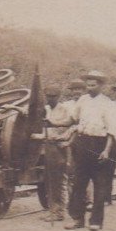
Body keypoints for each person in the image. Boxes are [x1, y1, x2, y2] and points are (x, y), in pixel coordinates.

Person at [65, 70, 116, 231]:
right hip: (82, 142)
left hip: (99, 144)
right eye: (88, 85)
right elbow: (73, 118)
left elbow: (112, 131)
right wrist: (52, 121)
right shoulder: (82, 100)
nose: (89, 88)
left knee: (99, 184)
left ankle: (96, 221)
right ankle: (77, 219)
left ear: (100, 86)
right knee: (79, 183)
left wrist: (107, 151)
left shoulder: (107, 103)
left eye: (93, 85)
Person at [42, 84, 75, 222]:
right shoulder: (45, 109)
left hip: (60, 147)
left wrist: (66, 140)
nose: (50, 99)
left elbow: (73, 126)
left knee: (60, 179)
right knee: (50, 180)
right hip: (48, 146)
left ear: (59, 96)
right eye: (48, 97)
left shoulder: (65, 109)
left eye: (53, 97)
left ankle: (61, 211)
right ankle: (53, 210)